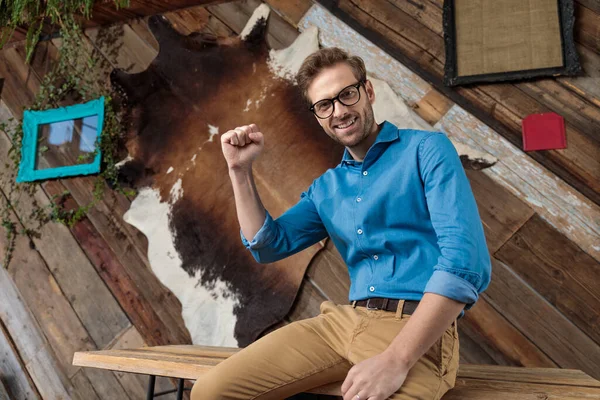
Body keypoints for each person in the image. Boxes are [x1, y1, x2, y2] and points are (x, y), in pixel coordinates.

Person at [191, 47, 491, 400]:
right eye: (324, 105)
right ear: (318, 116)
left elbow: (464, 263)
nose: (340, 111)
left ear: (368, 92)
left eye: (347, 94)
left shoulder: (427, 150)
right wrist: (239, 171)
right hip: (340, 325)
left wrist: (396, 359)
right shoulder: (326, 188)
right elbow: (268, 244)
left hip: (415, 331)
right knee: (210, 392)